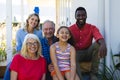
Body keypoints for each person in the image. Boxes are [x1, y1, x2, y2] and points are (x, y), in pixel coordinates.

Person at [69, 7, 107, 80]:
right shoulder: (70, 29)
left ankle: (93, 74)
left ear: (86, 16)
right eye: (78, 15)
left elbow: (98, 36)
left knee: (97, 44)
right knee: (72, 53)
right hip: (76, 53)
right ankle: (79, 78)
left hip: (88, 52)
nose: (81, 17)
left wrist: (103, 44)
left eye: (83, 15)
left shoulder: (92, 27)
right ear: (75, 17)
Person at [4, 13, 43, 80]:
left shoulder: (39, 32)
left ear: (37, 23)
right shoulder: (20, 32)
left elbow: (39, 45)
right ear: (28, 20)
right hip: (22, 54)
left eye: (36, 20)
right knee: (10, 65)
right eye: (32, 19)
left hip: (34, 55)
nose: (34, 21)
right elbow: (19, 47)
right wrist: (23, 57)